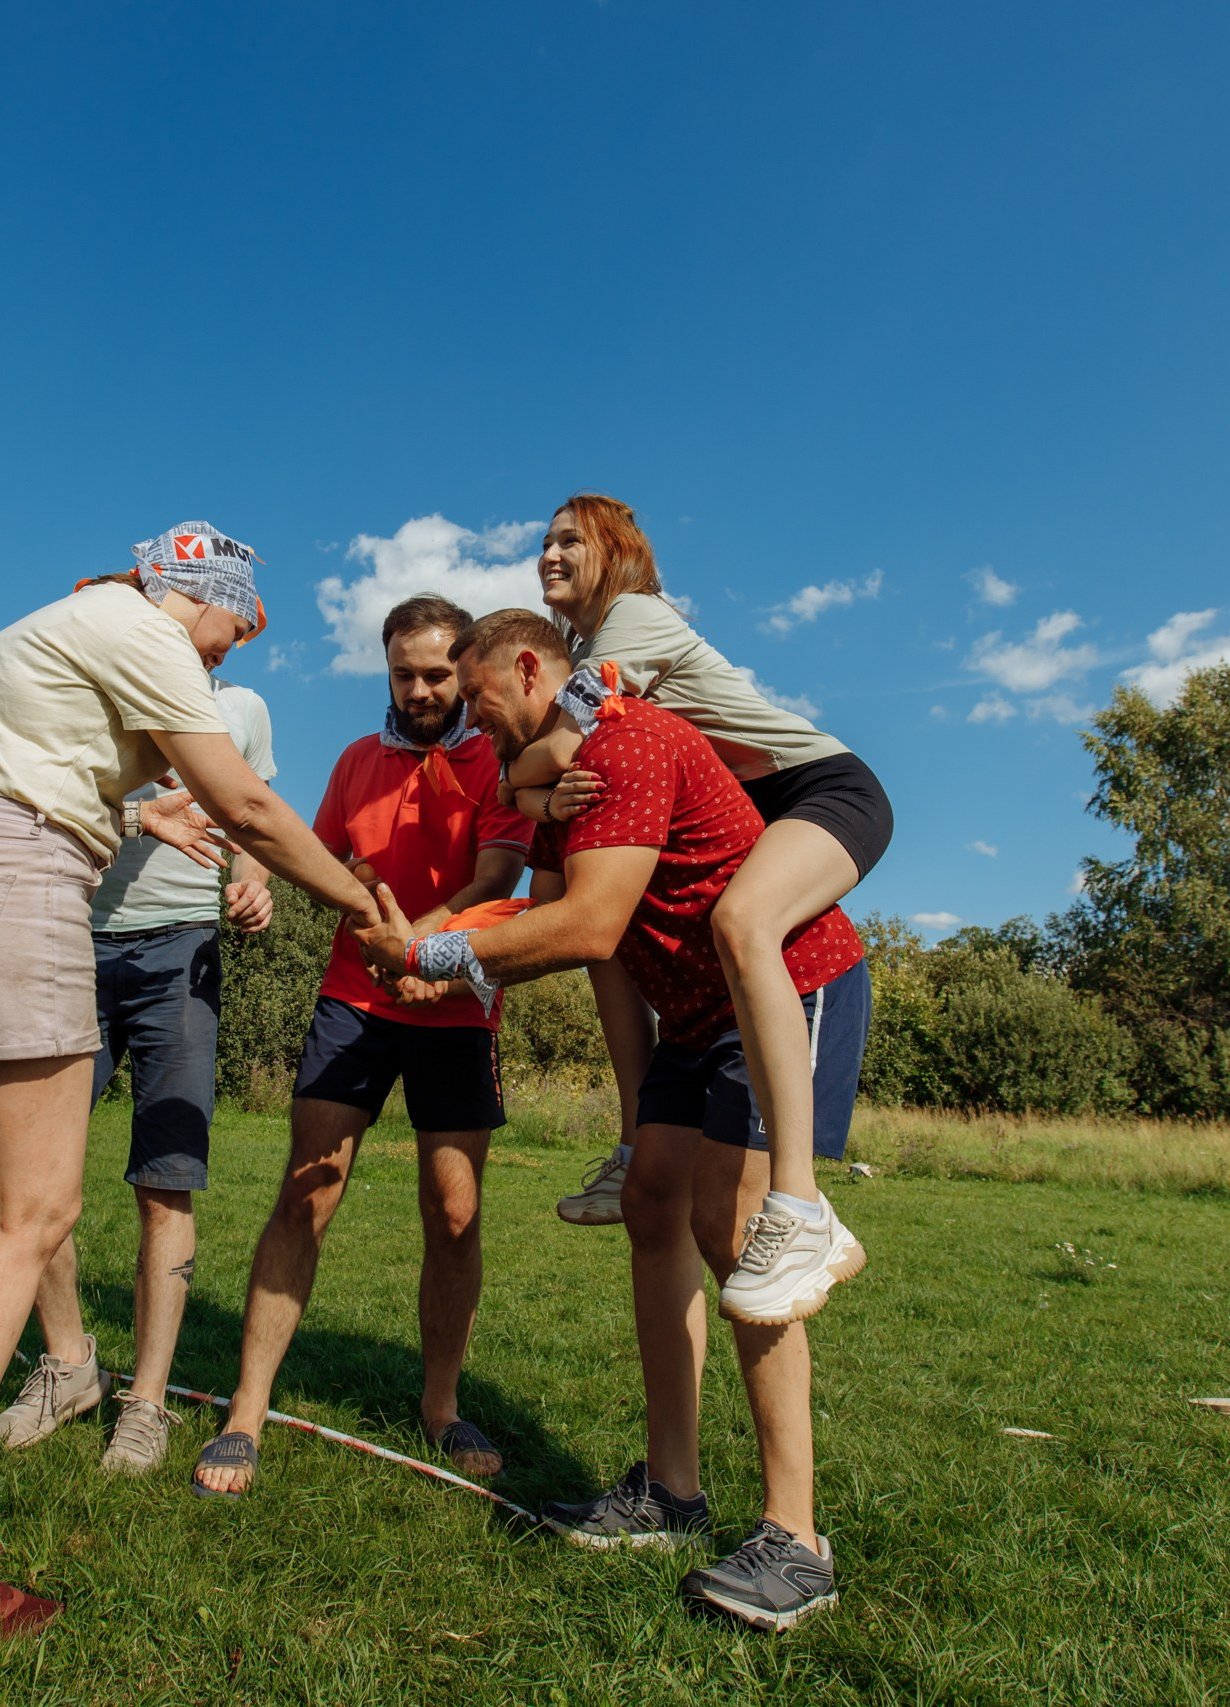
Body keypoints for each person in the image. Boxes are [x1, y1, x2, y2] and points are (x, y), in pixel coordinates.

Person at [0, 523, 381, 1657]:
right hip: (15, 886)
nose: (228, 656)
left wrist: (142, 813)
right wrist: (367, 910)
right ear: (200, 596)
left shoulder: (63, 624)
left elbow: (46, 770)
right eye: (237, 627)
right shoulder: (149, 631)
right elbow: (255, 810)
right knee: (31, 1222)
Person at [360, 609, 868, 1632]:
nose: (476, 724)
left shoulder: (633, 740)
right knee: (650, 1204)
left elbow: (586, 924)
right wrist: (433, 941)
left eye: (484, 701)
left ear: (533, 669)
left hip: (782, 990)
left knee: (735, 1227)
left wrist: (428, 959)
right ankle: (672, 1493)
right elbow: (531, 911)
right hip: (690, 1013)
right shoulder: (565, 784)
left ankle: (795, 1538)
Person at [507, 495, 891, 1328]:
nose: (549, 554)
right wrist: (537, 801)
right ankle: (632, 1140)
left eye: (569, 540)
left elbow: (564, 744)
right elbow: (563, 767)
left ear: (618, 553)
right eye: (543, 542)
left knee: (742, 924)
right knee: (613, 935)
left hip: (822, 788)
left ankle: (801, 1206)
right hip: (762, 803)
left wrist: (513, 783)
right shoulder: (586, 646)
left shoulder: (633, 619)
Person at [188, 594, 532, 1498]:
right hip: (356, 1000)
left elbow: (497, 874)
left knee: (454, 1213)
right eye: (402, 674)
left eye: (435, 674)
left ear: (465, 673)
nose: (419, 690)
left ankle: (442, 1405)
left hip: (457, 1005)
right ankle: (246, 1411)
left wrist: (423, 949)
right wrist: (274, 877)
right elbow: (315, 853)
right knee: (307, 1192)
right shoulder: (355, 762)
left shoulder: (497, 759)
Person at [0, 673, 279, 1475]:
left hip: (184, 946)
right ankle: (68, 1362)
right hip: (73, 933)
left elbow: (248, 821)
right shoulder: (96, 687)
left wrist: (254, 882)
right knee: (29, 1175)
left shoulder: (243, 710)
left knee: (166, 1178)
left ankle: (145, 1402)